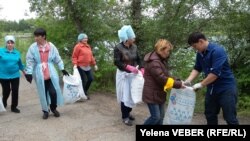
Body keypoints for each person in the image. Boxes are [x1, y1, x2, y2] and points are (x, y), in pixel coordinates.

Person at [184, 31, 239, 125]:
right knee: (210, 114)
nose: (195, 49)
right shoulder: (200, 53)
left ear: (201, 41)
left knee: (230, 117)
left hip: (226, 88)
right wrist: (188, 80)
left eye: (195, 46)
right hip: (212, 89)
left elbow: (214, 74)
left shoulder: (217, 51)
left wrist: (200, 84)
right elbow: (197, 68)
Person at [25, 28, 69, 119]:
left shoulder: (51, 46)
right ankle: (45, 110)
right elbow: (29, 60)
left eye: (37, 36)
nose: (35, 38)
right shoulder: (33, 47)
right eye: (35, 36)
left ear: (43, 36)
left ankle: (53, 108)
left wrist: (62, 68)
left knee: (54, 92)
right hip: (39, 73)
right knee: (43, 93)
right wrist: (29, 72)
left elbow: (57, 58)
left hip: (50, 72)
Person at [142, 39, 185, 125]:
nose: (169, 53)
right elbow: (162, 79)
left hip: (159, 93)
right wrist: (179, 84)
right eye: (168, 51)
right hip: (152, 94)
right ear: (161, 49)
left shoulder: (161, 60)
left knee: (161, 117)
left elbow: (166, 76)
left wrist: (177, 80)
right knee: (155, 117)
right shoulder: (154, 63)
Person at [114, 25, 144, 126]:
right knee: (124, 96)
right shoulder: (118, 48)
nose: (134, 39)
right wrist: (128, 67)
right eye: (132, 37)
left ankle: (128, 111)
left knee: (132, 94)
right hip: (123, 75)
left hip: (133, 74)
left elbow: (139, 58)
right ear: (127, 39)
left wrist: (142, 68)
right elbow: (117, 62)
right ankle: (125, 116)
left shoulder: (134, 47)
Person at [0, 35, 25, 113]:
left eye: (12, 42)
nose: (10, 44)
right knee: (6, 91)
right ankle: (4, 102)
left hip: (15, 75)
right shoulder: (1, 51)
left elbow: (20, 64)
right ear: (6, 43)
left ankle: (14, 107)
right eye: (8, 42)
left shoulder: (17, 53)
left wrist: (25, 72)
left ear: (14, 43)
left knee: (15, 90)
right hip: (3, 75)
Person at [72, 33, 98, 100]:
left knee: (90, 79)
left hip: (87, 66)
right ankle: (83, 94)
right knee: (83, 80)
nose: (86, 39)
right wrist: (75, 64)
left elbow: (91, 56)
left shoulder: (88, 46)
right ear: (80, 39)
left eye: (86, 38)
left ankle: (84, 91)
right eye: (84, 38)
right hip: (80, 66)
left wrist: (94, 64)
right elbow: (74, 56)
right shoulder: (77, 46)